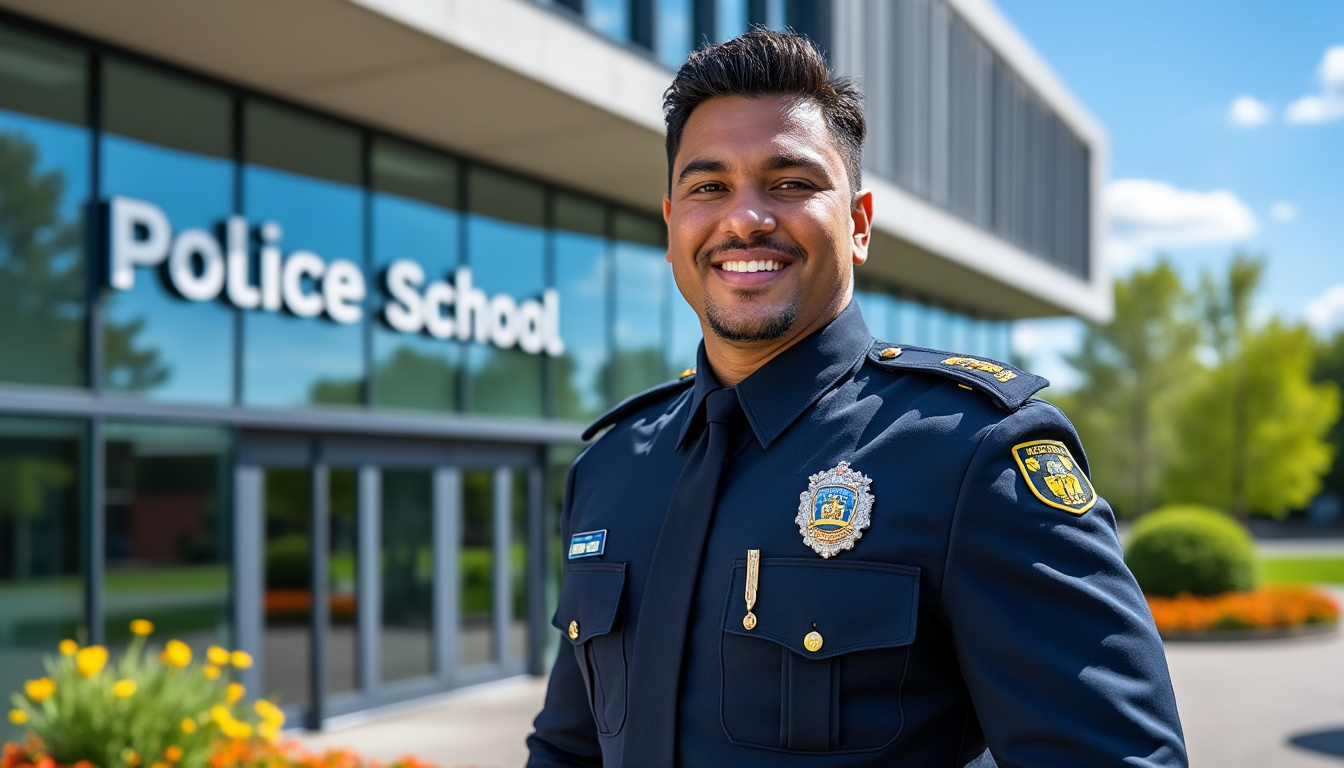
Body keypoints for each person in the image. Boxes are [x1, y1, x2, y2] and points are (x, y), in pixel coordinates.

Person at [526, 29, 1186, 767]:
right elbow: (569, 747)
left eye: (791, 182)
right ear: (673, 224)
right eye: (708, 187)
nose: (745, 218)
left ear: (859, 224)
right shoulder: (612, 467)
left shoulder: (971, 454)